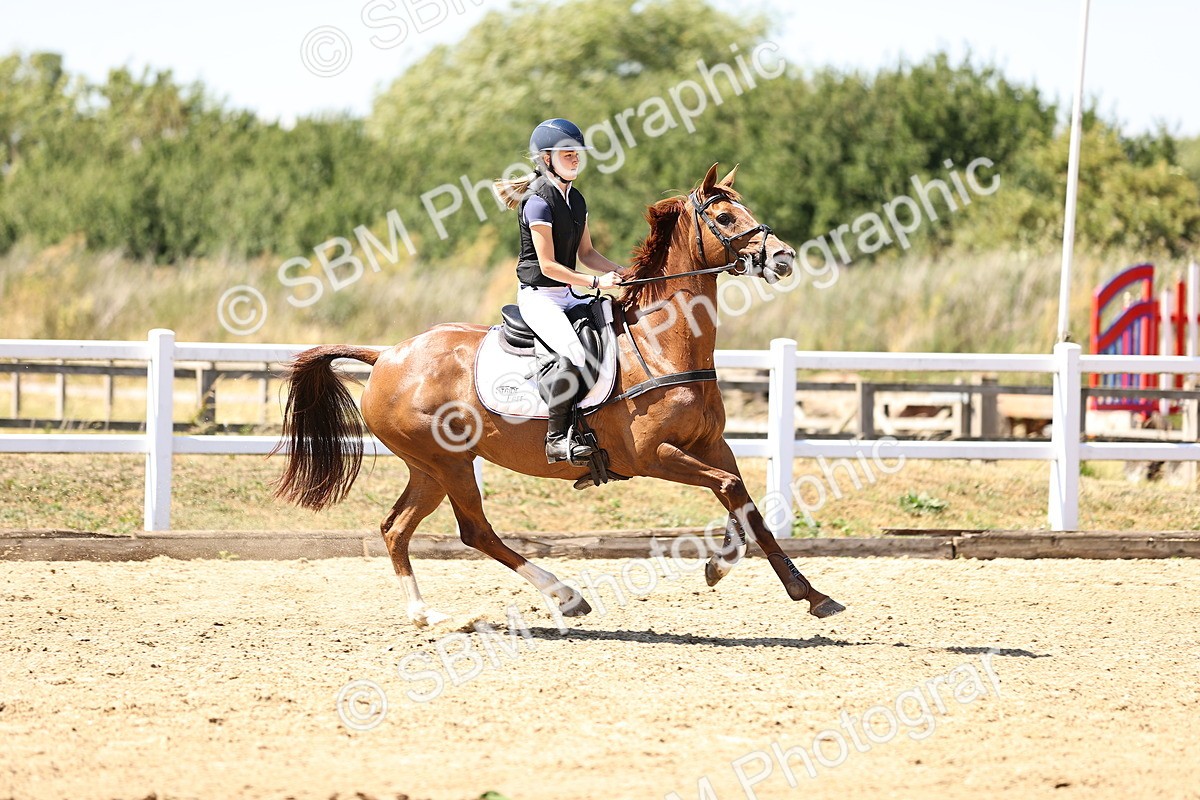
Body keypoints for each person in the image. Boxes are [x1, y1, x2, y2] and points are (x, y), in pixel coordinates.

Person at [493, 118, 625, 464]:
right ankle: (555, 439)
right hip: (539, 297)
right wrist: (596, 283)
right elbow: (549, 266)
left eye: (577, 153)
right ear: (546, 158)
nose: (576, 159)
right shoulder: (538, 202)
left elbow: (587, 254)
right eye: (568, 154)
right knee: (574, 355)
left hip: (568, 294)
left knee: (611, 337)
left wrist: (622, 272)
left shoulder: (577, 200)